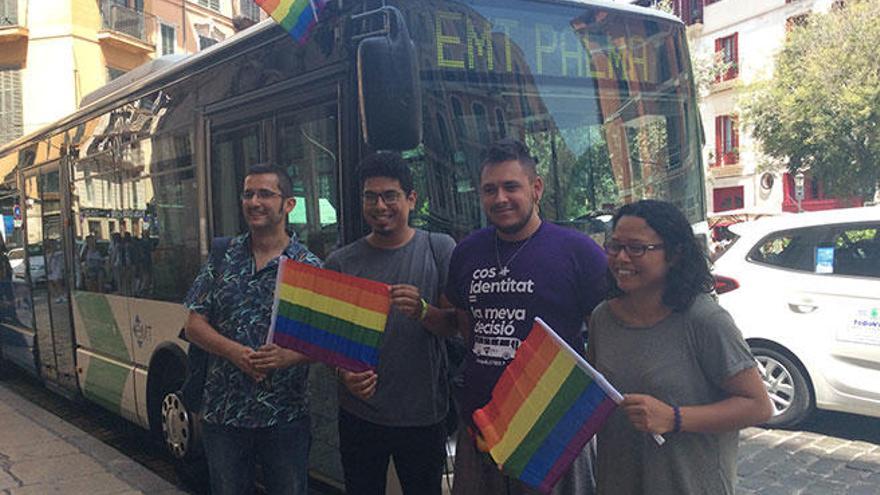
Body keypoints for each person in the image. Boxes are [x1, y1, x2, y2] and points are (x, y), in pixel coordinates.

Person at [444, 138, 608, 494]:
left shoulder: (578, 251)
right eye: (490, 189)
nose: (500, 198)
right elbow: (465, 323)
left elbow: (606, 334)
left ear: (536, 188)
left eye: (510, 187)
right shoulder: (467, 252)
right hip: (481, 424)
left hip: (552, 430)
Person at [588, 199, 772, 494]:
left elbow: (758, 406)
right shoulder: (602, 318)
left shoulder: (705, 320)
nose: (621, 258)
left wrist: (673, 418)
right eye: (614, 246)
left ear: (674, 254)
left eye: (636, 248)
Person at [325, 151, 458, 495]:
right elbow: (328, 343)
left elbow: (454, 326)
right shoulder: (340, 262)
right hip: (359, 416)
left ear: (411, 200)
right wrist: (344, 374)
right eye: (370, 196)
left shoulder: (439, 249)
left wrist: (422, 310)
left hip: (423, 417)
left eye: (390, 196)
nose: (379, 205)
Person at [183, 164, 321, 495]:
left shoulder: (308, 266)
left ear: (288, 204)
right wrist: (235, 353)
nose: (254, 201)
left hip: (284, 416)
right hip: (224, 414)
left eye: (265, 194)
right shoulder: (223, 256)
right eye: (248, 194)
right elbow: (193, 325)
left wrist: (285, 358)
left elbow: (322, 341)